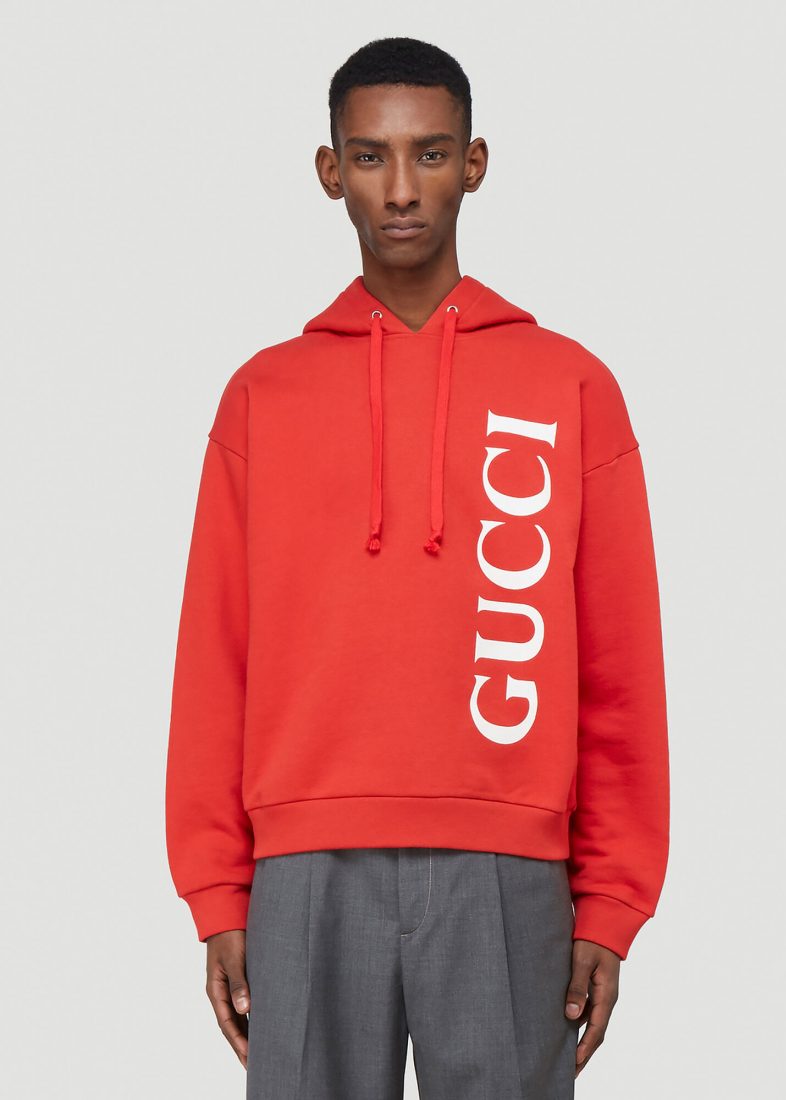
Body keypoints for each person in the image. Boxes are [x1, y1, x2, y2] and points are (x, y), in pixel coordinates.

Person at [165, 36, 670, 1099]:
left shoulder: (568, 386)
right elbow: (216, 655)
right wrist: (216, 890)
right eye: (370, 156)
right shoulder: (262, 396)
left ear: (474, 163)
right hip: (304, 867)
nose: (400, 189)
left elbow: (619, 667)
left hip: (509, 869)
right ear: (329, 171)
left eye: (430, 154)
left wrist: (612, 899)